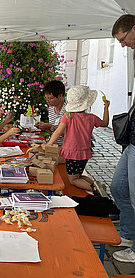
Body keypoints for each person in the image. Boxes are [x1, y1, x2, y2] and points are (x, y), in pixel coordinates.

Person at [46, 85, 110, 193]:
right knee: (79, 175)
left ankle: (94, 189)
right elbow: (105, 123)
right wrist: (106, 108)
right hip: (84, 153)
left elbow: (58, 132)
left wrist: (48, 144)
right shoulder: (91, 117)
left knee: (73, 179)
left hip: (71, 153)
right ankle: (95, 185)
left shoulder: (68, 116)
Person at [110, 14, 135, 263]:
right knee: (118, 187)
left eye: (123, 39)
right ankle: (128, 234)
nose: (123, 45)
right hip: (132, 140)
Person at [35, 80, 66, 146]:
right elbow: (53, 131)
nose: (47, 101)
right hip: (54, 146)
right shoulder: (51, 108)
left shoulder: (68, 110)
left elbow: (70, 133)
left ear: (60, 95)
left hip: (66, 148)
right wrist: (44, 127)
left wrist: (51, 126)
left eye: (50, 98)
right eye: (46, 98)